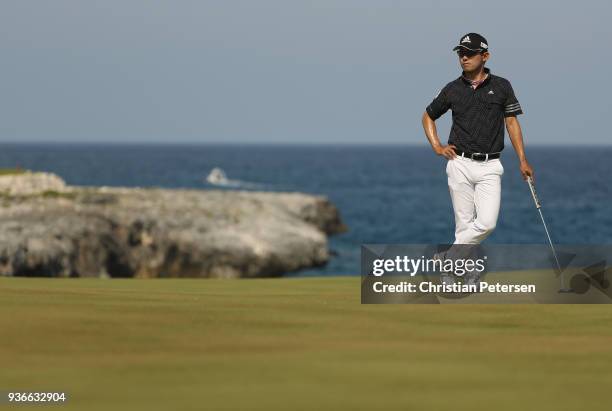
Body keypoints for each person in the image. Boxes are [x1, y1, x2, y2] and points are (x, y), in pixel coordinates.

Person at [422, 32, 534, 246]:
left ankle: (448, 257)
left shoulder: (502, 86)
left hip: (490, 165)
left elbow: (511, 122)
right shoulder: (452, 89)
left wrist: (522, 159)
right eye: (461, 53)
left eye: (470, 54)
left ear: (485, 56)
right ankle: (462, 276)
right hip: (459, 163)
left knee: (486, 223)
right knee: (464, 226)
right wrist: (437, 146)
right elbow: (428, 116)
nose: (464, 58)